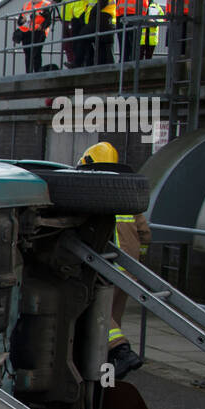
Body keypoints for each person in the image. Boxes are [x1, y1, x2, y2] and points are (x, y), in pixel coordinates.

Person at [79, 141, 150, 379]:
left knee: (95, 309)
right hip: (129, 267)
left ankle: (120, 352)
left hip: (106, 263)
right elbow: (145, 234)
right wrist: (139, 258)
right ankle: (107, 364)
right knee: (113, 314)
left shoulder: (93, 193)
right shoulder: (126, 194)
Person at [85, 0, 117, 65]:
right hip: (101, 18)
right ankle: (101, 65)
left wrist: (93, 12)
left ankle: (109, 67)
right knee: (102, 45)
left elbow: (103, 1)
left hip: (106, 18)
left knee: (106, 45)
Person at [16, 0, 49, 73]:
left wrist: (41, 27)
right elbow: (19, 21)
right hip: (27, 32)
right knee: (27, 54)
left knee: (36, 53)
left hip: (39, 32)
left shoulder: (46, 4)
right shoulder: (26, 5)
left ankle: (37, 72)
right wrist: (23, 21)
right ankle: (29, 73)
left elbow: (49, 20)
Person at [59, 0, 80, 69]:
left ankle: (75, 62)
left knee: (73, 42)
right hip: (66, 18)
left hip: (72, 16)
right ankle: (71, 61)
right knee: (66, 43)